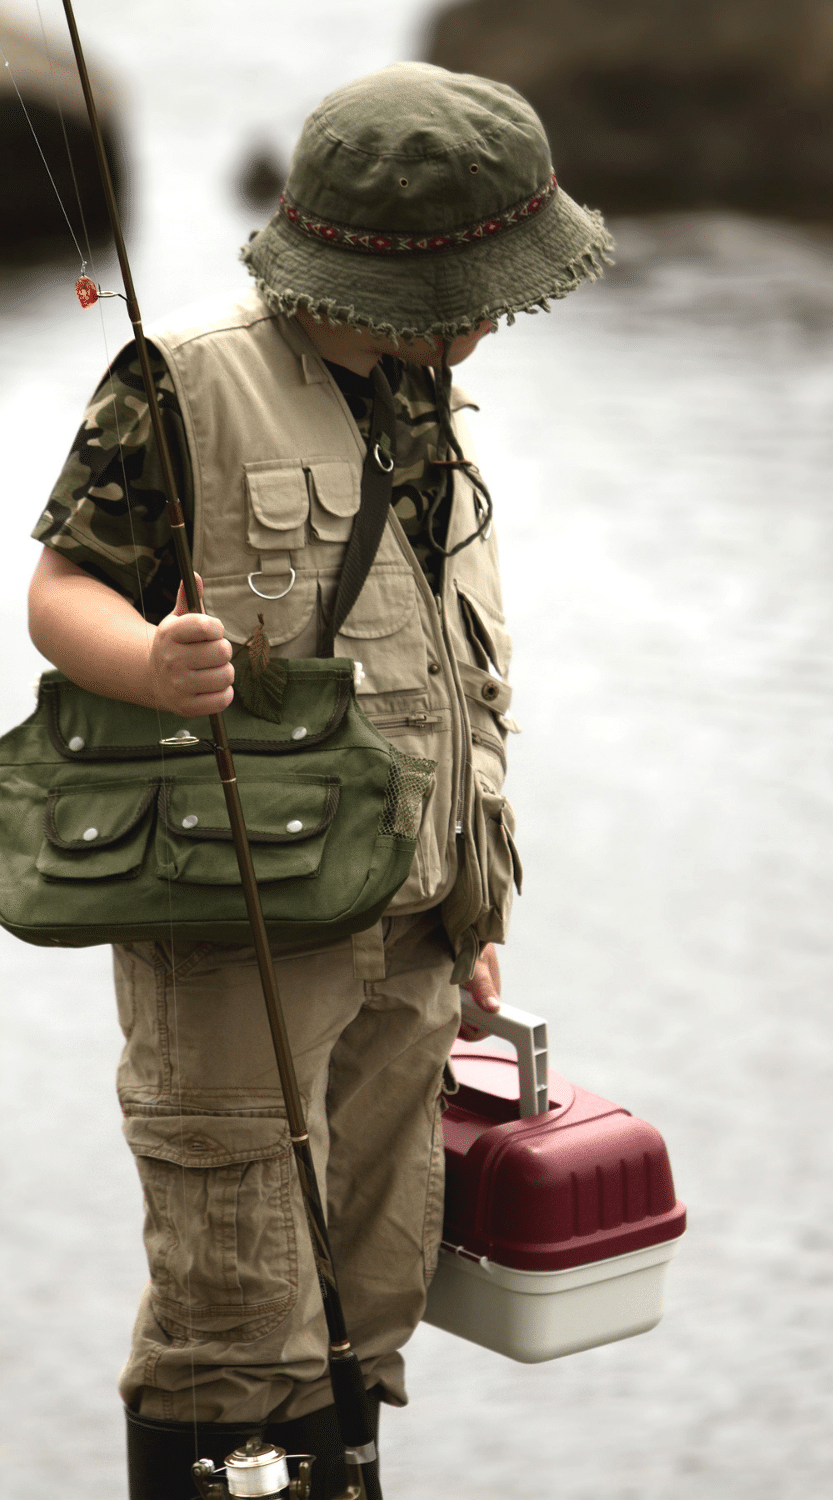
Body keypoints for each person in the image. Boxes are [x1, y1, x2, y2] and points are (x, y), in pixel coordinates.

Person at [27, 61, 612, 1500]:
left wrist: (472, 918)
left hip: (406, 938)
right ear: (371, 269)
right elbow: (59, 592)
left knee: (369, 1279)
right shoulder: (186, 385)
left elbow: (453, 690)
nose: (488, 322)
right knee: (236, 1305)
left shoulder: (432, 407)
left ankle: (337, 1471)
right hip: (240, 934)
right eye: (472, 288)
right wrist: (149, 661)